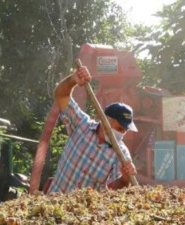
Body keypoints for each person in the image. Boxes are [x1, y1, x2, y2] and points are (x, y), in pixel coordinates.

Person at [47, 65, 137, 194]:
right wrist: (73, 80)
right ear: (105, 120)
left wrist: (125, 179)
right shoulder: (82, 125)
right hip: (51, 203)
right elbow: (61, 96)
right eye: (119, 128)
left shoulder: (121, 154)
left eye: (124, 130)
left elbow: (115, 192)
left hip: (84, 212)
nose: (121, 133)